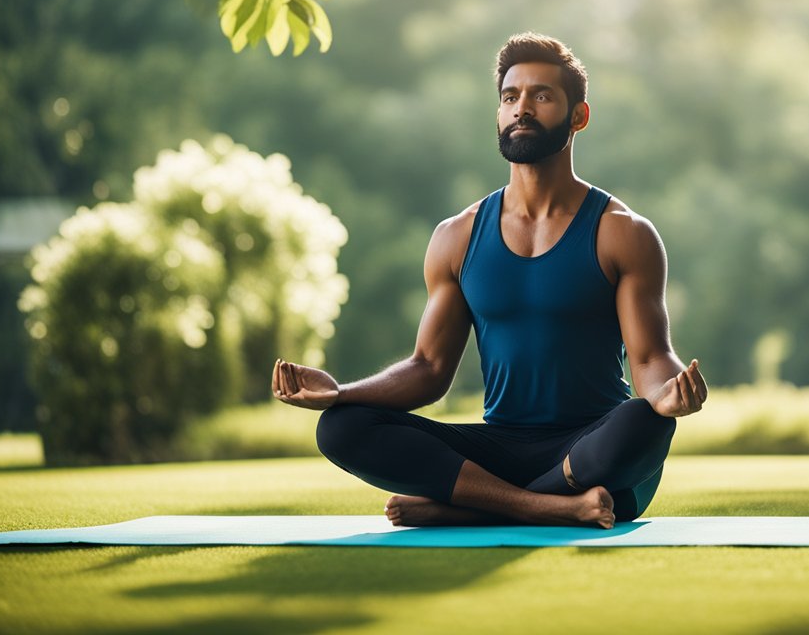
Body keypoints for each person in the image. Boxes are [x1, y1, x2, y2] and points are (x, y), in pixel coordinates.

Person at [272, 32, 707, 529]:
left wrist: (668, 393)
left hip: (592, 451)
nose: (522, 108)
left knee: (646, 422)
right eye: (509, 97)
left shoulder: (622, 233)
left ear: (578, 117)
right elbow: (429, 369)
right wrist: (341, 394)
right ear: (498, 114)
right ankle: (546, 509)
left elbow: (650, 358)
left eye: (541, 96)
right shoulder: (456, 237)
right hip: (501, 449)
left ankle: (470, 508)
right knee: (342, 428)